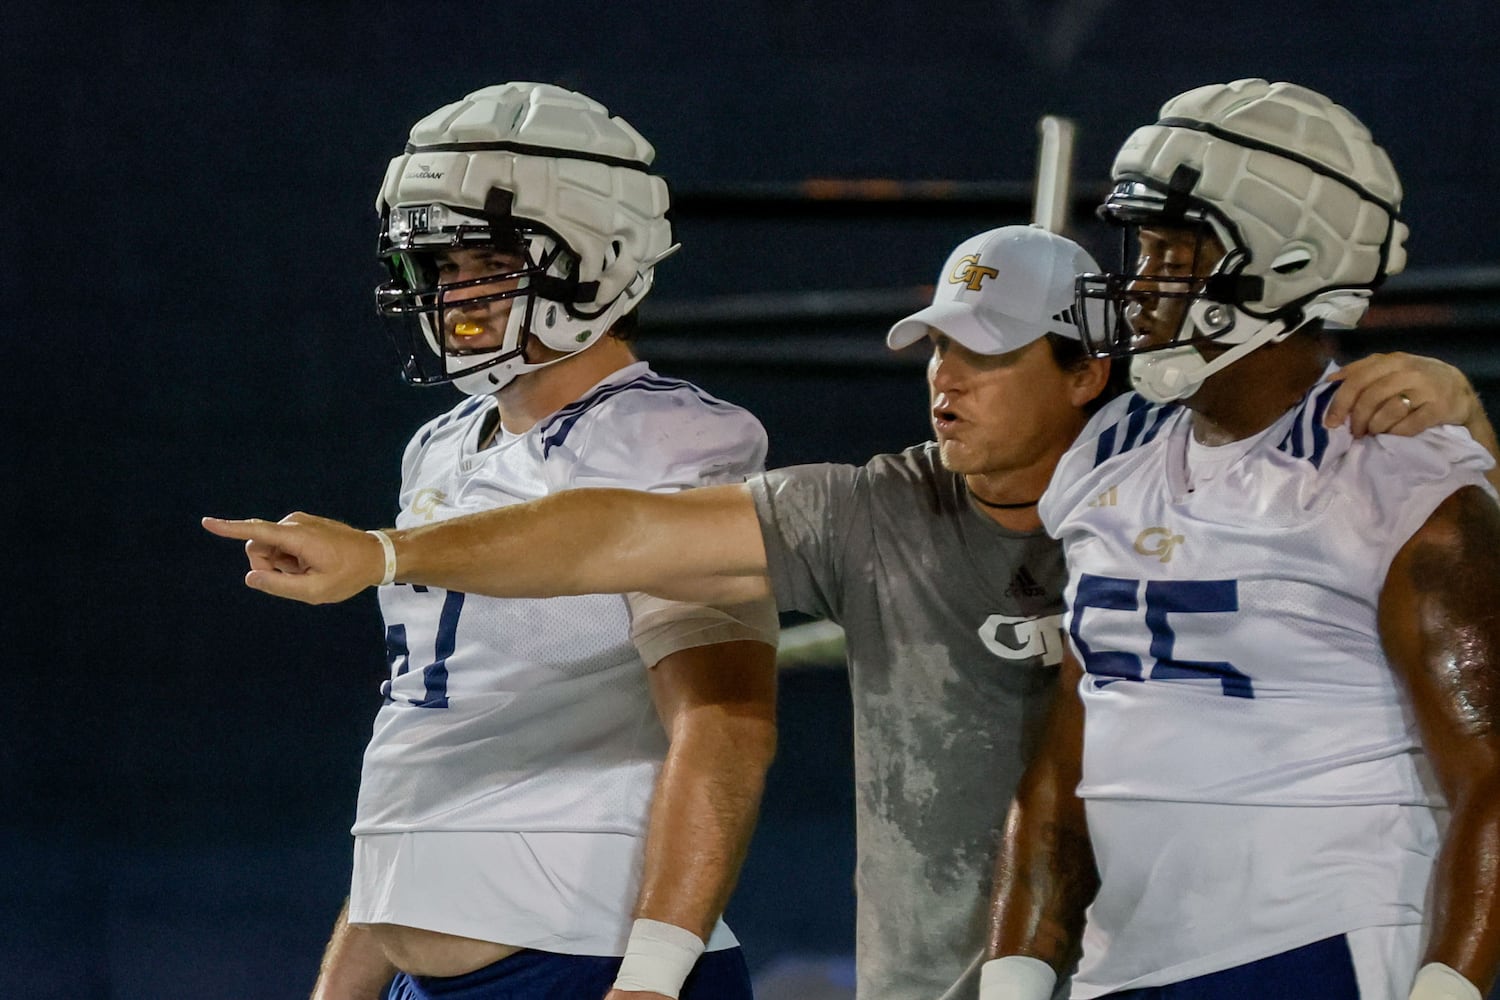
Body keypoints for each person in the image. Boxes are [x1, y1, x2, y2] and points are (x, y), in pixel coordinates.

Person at [207, 211, 1484, 998]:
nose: (944, 380)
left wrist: (1440, 400)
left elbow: (1394, 507)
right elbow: (627, 529)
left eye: (983, 353)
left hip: (1233, 956)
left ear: (1090, 368)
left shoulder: (1216, 476)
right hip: (948, 984)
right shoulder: (883, 509)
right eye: (934, 347)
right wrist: (386, 552)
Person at [227, 82, 784, 1000]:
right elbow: (428, 743)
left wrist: (651, 976)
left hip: (583, 955)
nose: (452, 293)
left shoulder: (677, 439)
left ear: (599, 257)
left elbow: (724, 726)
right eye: (439, 267)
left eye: (482, 259)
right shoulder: (443, 443)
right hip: (425, 967)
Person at [981, 79, 1500, 1000]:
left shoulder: (1396, 474)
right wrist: (1015, 974)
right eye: (1142, 246)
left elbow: (1494, 777)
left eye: (1174, 248)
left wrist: (1448, 991)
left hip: (1320, 950)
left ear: (1287, 259)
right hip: (1123, 965)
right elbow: (1079, 736)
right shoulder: (1112, 450)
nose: (1141, 280)